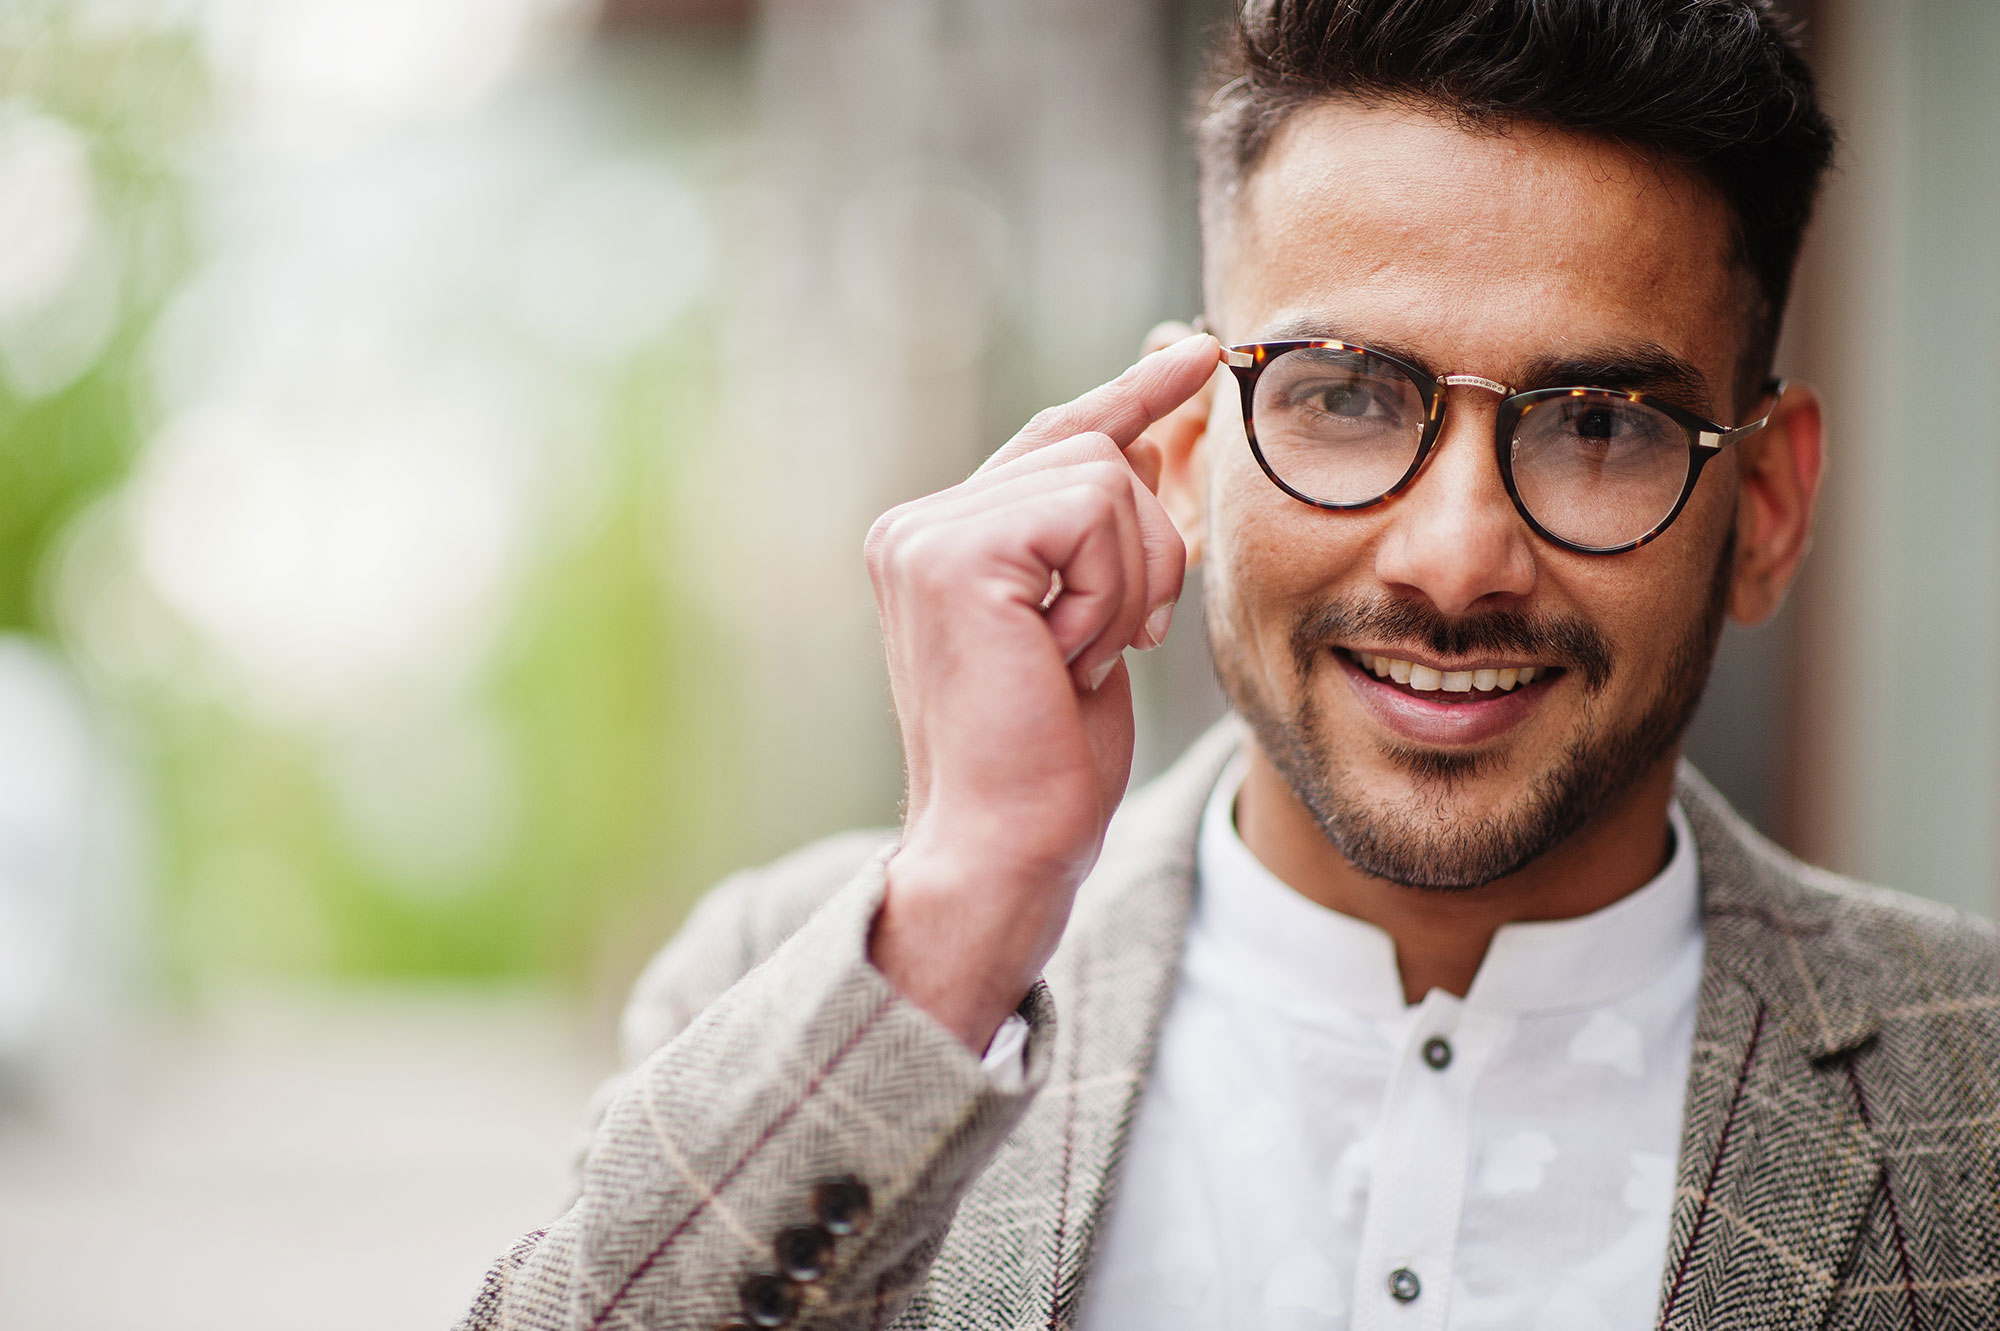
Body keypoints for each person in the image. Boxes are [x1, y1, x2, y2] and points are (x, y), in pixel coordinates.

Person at [463, 3, 2000, 1328]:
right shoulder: (814, 983)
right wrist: (964, 918)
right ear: (1189, 457)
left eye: (1599, 424)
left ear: (1771, 507)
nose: (1454, 558)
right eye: (1346, 399)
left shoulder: (1973, 1091)